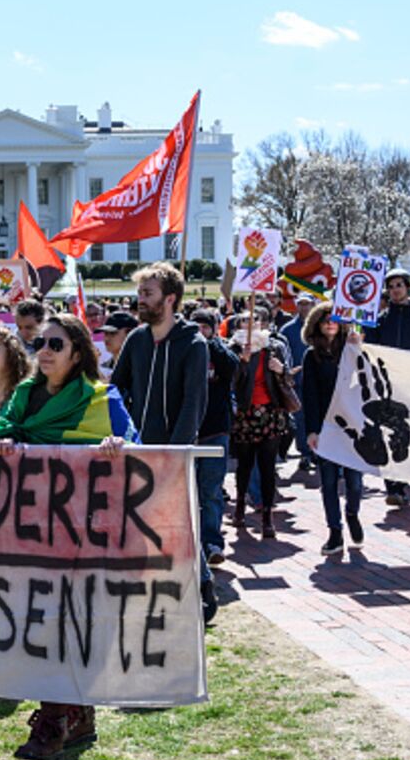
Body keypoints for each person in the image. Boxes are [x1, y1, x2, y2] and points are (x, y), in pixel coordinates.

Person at [0, 312, 133, 760]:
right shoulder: (24, 396)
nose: (43, 350)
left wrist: (116, 448)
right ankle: (76, 713)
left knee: (64, 618)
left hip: (80, 527)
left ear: (78, 353)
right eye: (41, 342)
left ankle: (52, 722)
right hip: (29, 525)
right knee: (39, 618)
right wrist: (4, 440)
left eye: (55, 344)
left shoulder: (103, 399)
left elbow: (138, 447)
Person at [109, 262, 211, 613]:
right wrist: (117, 432)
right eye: (139, 293)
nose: (140, 300)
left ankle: (203, 588)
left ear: (170, 299)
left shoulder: (194, 344)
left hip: (172, 453)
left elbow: (193, 404)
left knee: (177, 521)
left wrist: (174, 452)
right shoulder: (137, 339)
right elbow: (115, 390)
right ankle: (141, 589)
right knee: (138, 521)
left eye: (147, 294)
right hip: (134, 449)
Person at [364, 267, 410, 506]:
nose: (395, 290)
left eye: (399, 285)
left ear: (408, 288)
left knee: (408, 435)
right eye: (391, 287)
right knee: (386, 433)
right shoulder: (379, 322)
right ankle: (392, 487)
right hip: (385, 387)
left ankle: (403, 483)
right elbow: (370, 353)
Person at [301, 302, 364, 555]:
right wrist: (312, 430)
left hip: (351, 426)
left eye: (334, 319)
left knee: (355, 481)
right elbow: (310, 395)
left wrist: (358, 348)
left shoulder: (351, 350)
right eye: (324, 319)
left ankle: (352, 514)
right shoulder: (311, 356)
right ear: (316, 324)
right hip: (326, 427)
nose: (330, 323)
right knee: (328, 482)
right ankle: (335, 532)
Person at [229, 307, 293, 539]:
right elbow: (229, 382)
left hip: (269, 413)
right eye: (244, 321)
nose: (249, 324)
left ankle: (267, 516)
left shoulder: (273, 346)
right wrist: (241, 363)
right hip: (245, 415)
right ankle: (239, 509)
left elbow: (288, 379)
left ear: (260, 324)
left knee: (267, 467)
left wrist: (281, 369)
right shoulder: (233, 348)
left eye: (253, 320)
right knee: (244, 466)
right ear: (237, 327)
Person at [190, 308, 239, 570]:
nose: (200, 331)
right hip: (188, 432)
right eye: (195, 326)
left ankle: (212, 543)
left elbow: (232, 368)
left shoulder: (220, 351)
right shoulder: (183, 350)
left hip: (215, 430)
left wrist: (210, 343)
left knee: (211, 490)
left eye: (205, 327)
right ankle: (191, 542)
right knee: (189, 491)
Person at [281, 293, 316, 470]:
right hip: (296, 382)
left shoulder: (320, 327)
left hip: (317, 381)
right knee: (300, 418)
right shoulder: (287, 330)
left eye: (307, 304)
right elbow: (282, 353)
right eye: (301, 304)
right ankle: (305, 453)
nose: (304, 307)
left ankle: (318, 451)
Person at [98, 310, 138, 378]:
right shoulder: (103, 368)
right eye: (105, 333)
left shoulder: (140, 367)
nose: (107, 338)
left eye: (113, 333)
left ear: (129, 333)